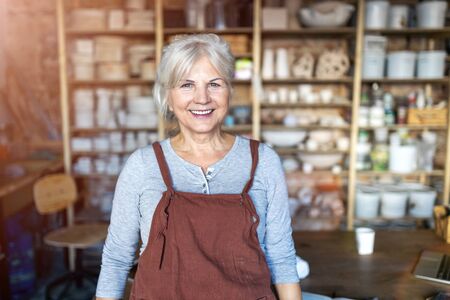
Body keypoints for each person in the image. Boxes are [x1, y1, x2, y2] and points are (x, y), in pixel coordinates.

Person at [96, 33, 302, 300]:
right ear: (168, 96)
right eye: (187, 85)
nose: (202, 98)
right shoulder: (143, 165)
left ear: (229, 91)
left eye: (214, 84)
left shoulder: (263, 161)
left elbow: (282, 258)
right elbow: (116, 259)